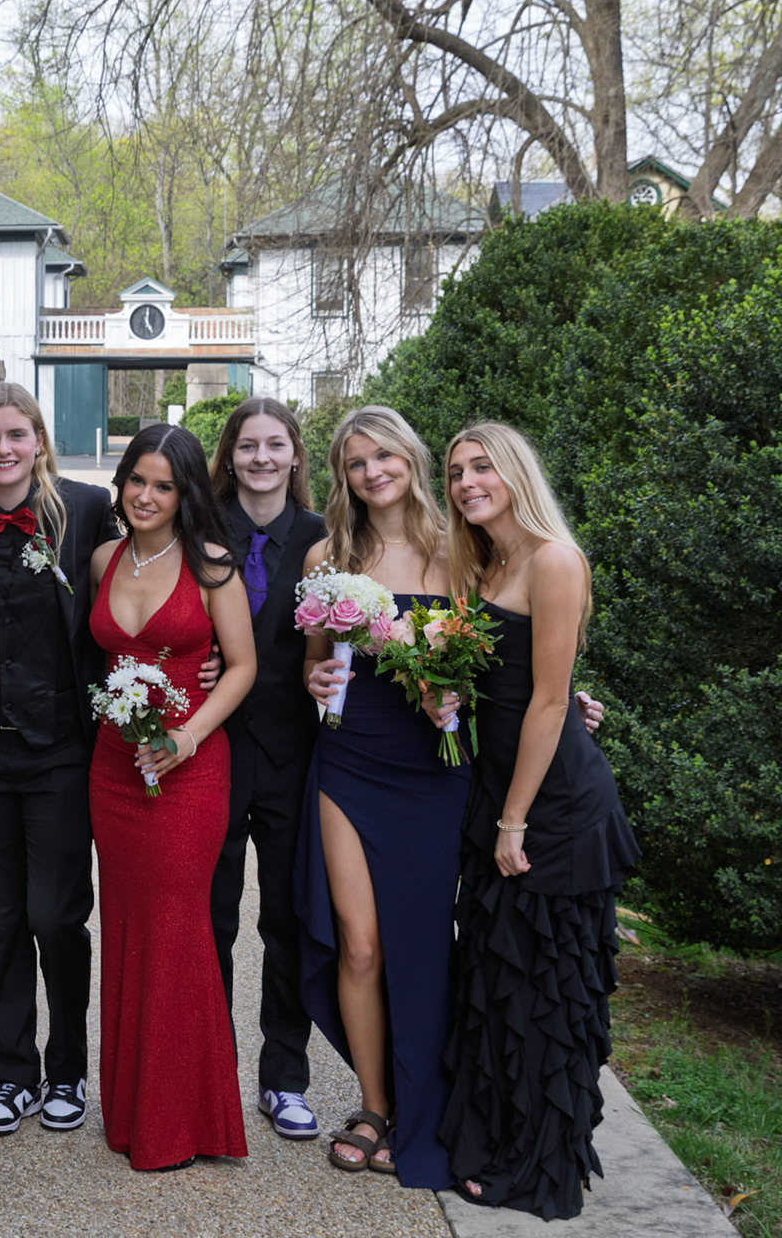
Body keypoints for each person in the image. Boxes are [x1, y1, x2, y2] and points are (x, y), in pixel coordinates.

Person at [435, 422, 639, 1220]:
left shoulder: (555, 559)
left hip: (552, 810)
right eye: (456, 471)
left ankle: (541, 1166)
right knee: (498, 981)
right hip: (501, 795)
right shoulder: (485, 563)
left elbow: (551, 703)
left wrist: (514, 821)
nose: (467, 482)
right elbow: (504, 685)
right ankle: (497, 1139)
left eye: (482, 467)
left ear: (516, 472)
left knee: (548, 992)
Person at [0, 382, 120, 1137]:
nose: (3, 448)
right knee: (0, 918)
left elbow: (143, 583)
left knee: (57, 916)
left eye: (16, 434)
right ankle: (13, 1071)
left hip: (60, 748)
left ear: (39, 440)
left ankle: (67, 1069)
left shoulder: (86, 511)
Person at [292, 405, 470, 1184]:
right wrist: (313, 677)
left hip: (434, 767)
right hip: (349, 758)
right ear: (343, 476)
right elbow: (313, 661)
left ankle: (424, 1110)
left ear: (410, 457)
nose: (372, 472)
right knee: (359, 944)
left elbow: (504, 655)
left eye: (383, 456)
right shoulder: (329, 555)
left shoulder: (461, 548)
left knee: (422, 945)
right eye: (356, 463)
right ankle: (372, 1106)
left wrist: (569, 704)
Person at [88, 423, 254, 1171]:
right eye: (137, 480)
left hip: (189, 768)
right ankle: (131, 1110)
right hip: (114, 769)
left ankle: (185, 1121)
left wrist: (187, 735)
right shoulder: (104, 559)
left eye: (165, 485)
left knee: (177, 923)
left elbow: (242, 666)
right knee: (127, 923)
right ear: (121, 482)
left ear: (187, 493)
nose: (147, 496)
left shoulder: (213, 567)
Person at [204, 397, 327, 1143]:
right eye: (247, 446)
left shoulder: (323, 538)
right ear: (230, 456)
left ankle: (284, 1076)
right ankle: (212, 1073)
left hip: (292, 754)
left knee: (287, 919)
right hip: (211, 752)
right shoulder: (198, 529)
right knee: (210, 919)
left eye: (274, 445)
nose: (261, 458)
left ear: (294, 455)